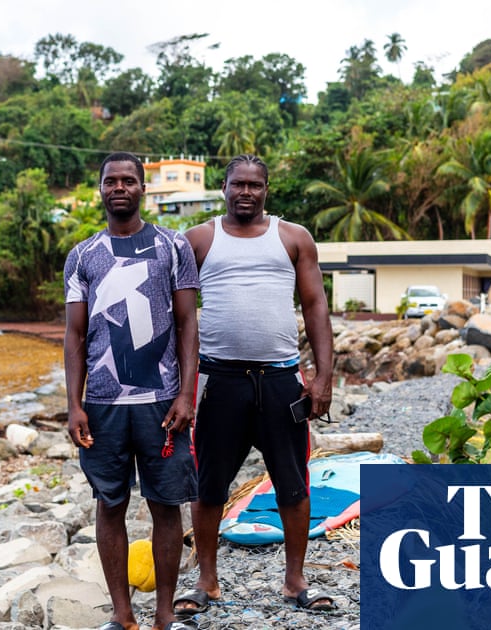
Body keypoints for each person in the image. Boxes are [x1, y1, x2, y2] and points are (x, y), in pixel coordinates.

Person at [175, 154, 336, 615]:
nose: (246, 192)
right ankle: (206, 581)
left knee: (293, 482)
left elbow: (315, 307)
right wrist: (181, 388)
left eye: (255, 185)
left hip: (281, 379)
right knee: (209, 485)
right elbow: (181, 318)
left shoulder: (293, 238)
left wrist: (323, 377)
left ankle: (295, 580)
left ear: (267, 190)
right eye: (238, 184)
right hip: (219, 381)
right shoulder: (199, 241)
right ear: (223, 187)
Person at [64, 151, 200, 630]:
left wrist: (186, 394)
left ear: (143, 188)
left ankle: (165, 615)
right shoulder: (82, 255)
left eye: (128, 180)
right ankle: (123, 617)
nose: (118, 187)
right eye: (110, 181)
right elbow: (75, 336)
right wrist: (74, 405)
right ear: (99, 189)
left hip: (162, 403)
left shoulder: (173, 246)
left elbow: (186, 324)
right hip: (102, 406)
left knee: (166, 505)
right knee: (110, 504)